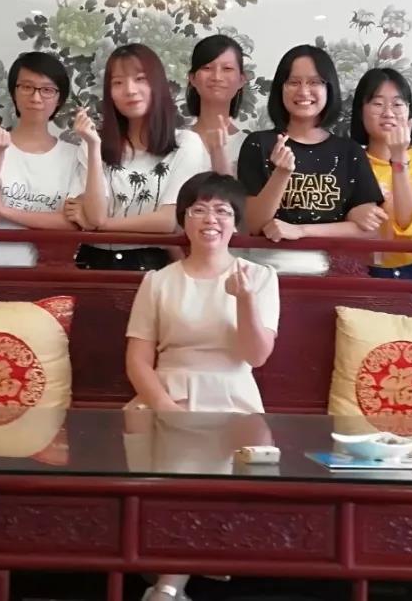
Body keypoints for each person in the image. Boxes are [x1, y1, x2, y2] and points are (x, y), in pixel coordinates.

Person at [125, 171, 279, 601]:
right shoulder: (158, 281)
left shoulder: (260, 277)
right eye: (199, 209)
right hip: (166, 394)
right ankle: (184, 570)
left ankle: (169, 584)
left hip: (234, 398)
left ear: (236, 222)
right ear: (184, 219)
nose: (211, 219)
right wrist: (165, 407)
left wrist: (245, 299)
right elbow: (137, 360)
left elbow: (256, 356)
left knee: (210, 463)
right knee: (174, 459)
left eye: (222, 211)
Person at [237, 45, 385, 273]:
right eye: (294, 82)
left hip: (335, 272)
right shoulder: (259, 144)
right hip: (270, 272)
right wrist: (281, 174)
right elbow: (254, 224)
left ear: (329, 88)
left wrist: (301, 231)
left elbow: (369, 230)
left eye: (315, 82)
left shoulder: (349, 151)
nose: (304, 91)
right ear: (280, 88)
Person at [77, 44, 211, 271]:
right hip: (91, 263)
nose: (130, 90)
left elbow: (167, 222)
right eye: (118, 82)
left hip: (152, 264)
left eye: (140, 79)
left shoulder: (186, 144)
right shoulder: (92, 142)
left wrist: (102, 225)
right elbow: (95, 214)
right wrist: (93, 145)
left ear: (157, 84)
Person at [0, 52, 83, 279]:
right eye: (26, 87)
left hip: (47, 277)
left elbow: (71, 223)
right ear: (14, 92)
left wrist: (4, 210)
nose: (36, 97)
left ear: (59, 98)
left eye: (47, 90)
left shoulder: (74, 156)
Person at [349, 67, 412, 290]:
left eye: (397, 104)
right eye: (377, 103)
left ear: (409, 112)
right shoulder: (346, 161)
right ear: (361, 111)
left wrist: (399, 156)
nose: (388, 113)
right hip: (354, 272)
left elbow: (407, 220)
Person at [185, 34, 248, 176]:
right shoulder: (175, 142)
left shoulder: (249, 146)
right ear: (192, 78)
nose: (217, 77)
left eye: (227, 69)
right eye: (207, 68)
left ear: (241, 79)